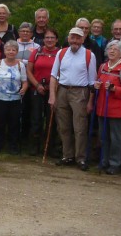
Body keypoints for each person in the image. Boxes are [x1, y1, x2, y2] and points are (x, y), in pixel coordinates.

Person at [48, 27, 97, 169]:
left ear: (82, 39)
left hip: (80, 92)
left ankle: (80, 157)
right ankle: (67, 155)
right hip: (62, 90)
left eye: (78, 38)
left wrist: (90, 101)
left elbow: (92, 81)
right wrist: (52, 96)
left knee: (80, 126)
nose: (75, 41)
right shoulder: (61, 53)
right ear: (68, 38)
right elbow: (53, 75)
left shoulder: (89, 55)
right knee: (63, 125)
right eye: (72, 37)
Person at [94, 40, 121, 175]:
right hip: (102, 107)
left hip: (117, 110)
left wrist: (114, 89)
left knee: (115, 137)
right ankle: (104, 160)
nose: (111, 51)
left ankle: (115, 163)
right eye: (110, 48)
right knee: (103, 136)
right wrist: (96, 86)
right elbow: (98, 82)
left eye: (115, 49)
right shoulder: (102, 67)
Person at [0, 40, 28, 154]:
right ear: (4, 51)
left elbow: (25, 81)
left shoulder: (21, 65)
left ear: (17, 52)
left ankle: (13, 146)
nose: (11, 52)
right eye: (8, 49)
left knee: (14, 123)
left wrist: (24, 88)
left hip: (15, 99)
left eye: (13, 50)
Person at [27, 27, 60, 156]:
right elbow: (29, 71)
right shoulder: (36, 52)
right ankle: (34, 146)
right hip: (37, 89)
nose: (49, 40)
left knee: (52, 119)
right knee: (36, 119)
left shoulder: (61, 53)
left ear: (57, 39)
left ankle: (50, 147)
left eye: (52, 37)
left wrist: (54, 88)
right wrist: (37, 84)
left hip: (54, 90)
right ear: (43, 39)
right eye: (47, 37)